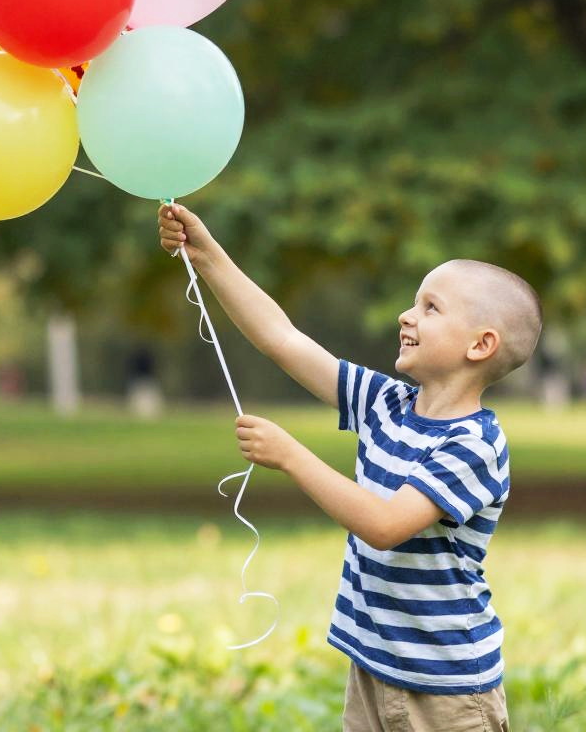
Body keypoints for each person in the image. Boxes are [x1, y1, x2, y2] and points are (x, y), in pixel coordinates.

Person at [158, 201, 543, 732]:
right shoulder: (385, 403)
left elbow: (385, 525)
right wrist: (206, 255)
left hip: (446, 689)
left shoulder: (475, 445)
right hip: (372, 665)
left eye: (431, 308)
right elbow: (282, 338)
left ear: (481, 345)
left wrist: (291, 456)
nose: (406, 315)